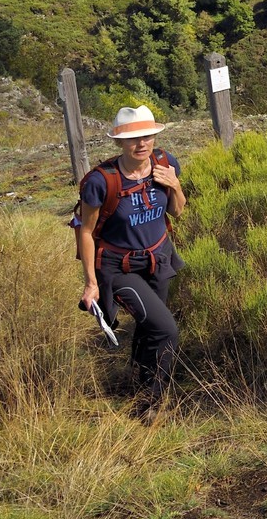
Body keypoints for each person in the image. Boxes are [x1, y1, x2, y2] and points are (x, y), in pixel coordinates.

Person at [74, 105, 186, 422]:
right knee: (165, 329)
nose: (142, 144)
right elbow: (85, 230)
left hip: (158, 258)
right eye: (134, 138)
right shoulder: (101, 181)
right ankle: (152, 404)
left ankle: (136, 387)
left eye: (147, 136)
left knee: (149, 329)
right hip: (118, 268)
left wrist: (174, 185)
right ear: (120, 143)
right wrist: (91, 283)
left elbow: (177, 212)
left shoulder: (166, 163)